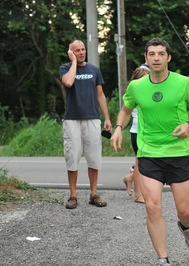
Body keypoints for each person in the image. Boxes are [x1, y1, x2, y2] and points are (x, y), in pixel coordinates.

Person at [110, 37, 189, 266]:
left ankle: (185, 227)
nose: (156, 58)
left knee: (185, 211)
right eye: (152, 54)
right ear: (146, 58)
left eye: (160, 54)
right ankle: (163, 259)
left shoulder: (184, 83)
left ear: (168, 58)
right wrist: (118, 128)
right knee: (152, 206)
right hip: (149, 154)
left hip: (178, 152)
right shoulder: (136, 87)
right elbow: (125, 112)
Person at [59, 39, 112, 209]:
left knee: (94, 157)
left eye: (83, 50)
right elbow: (68, 82)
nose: (81, 52)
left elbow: (100, 95)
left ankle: (94, 194)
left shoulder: (94, 70)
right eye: (77, 50)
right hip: (72, 119)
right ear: (71, 53)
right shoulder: (65, 68)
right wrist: (73, 62)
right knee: (72, 157)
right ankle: (73, 195)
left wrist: (107, 118)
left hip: (92, 118)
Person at [122, 66, 150, 204]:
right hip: (138, 132)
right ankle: (139, 195)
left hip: (152, 133)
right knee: (141, 164)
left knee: (150, 163)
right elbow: (126, 112)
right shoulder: (134, 94)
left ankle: (130, 178)